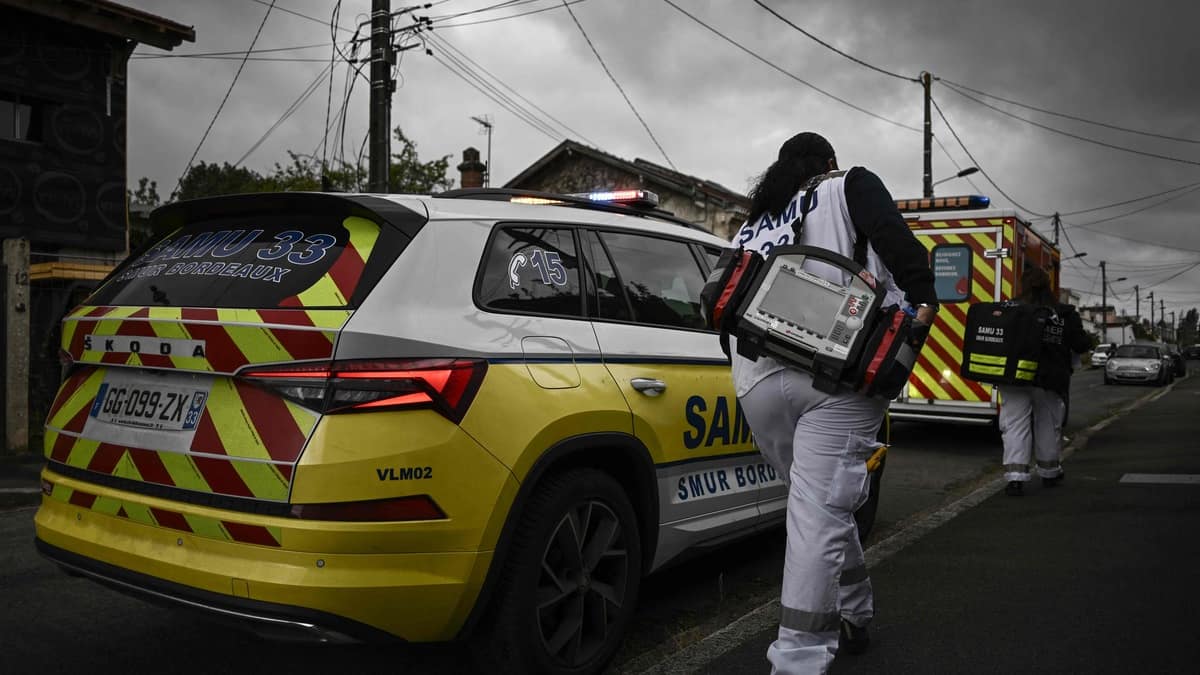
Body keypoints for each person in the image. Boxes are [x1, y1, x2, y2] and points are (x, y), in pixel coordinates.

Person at [729, 132, 938, 673]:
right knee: (817, 513)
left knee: (816, 508)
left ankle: (856, 613)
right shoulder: (849, 185)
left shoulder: (755, 220)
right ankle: (798, 660)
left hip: (756, 377)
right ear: (828, 163)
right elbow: (901, 249)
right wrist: (925, 307)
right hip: (840, 375)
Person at [998, 267, 1090, 496]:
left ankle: (1015, 478)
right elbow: (1081, 344)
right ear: (1048, 286)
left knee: (1014, 424)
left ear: (1023, 285)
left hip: (1014, 377)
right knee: (1048, 424)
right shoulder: (1064, 312)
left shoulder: (1010, 309)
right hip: (1049, 378)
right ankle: (1049, 472)